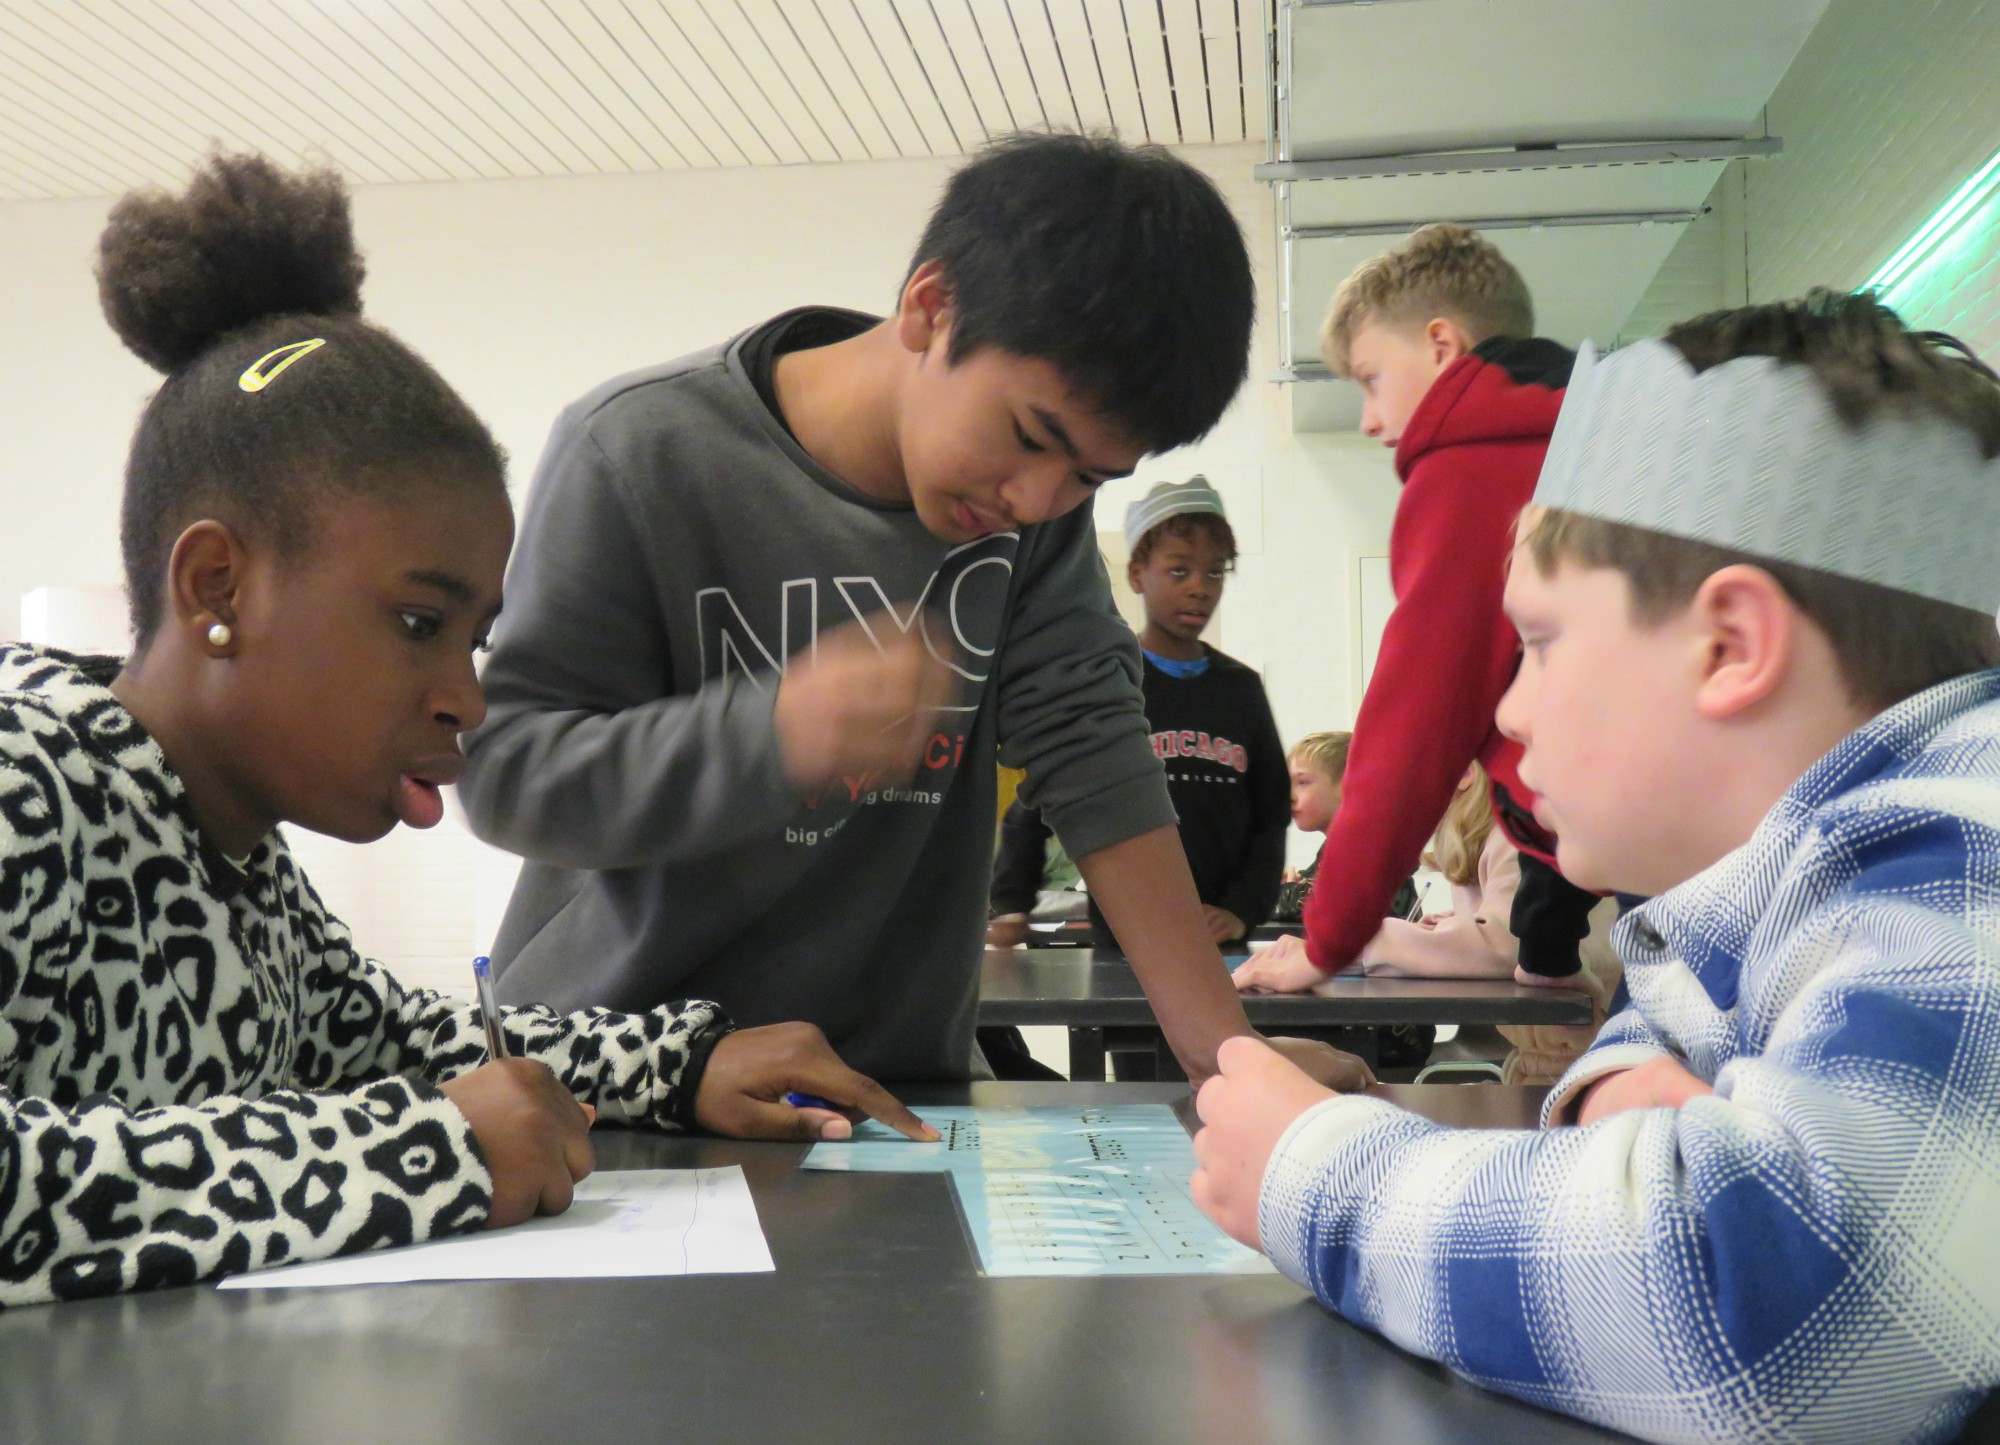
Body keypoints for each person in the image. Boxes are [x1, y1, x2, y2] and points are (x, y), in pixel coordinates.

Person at [0, 154, 929, 1309]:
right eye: (415, 621)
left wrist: (678, 1062)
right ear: (216, 585)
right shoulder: (23, 783)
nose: (465, 697)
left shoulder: (233, 852)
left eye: (472, 639)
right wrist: (415, 1152)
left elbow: (383, 1034)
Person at [1191, 291, 2000, 1440]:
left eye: (1538, 640)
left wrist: (1317, 1175)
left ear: (1728, 646)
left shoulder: (1969, 843)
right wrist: (1636, 1102)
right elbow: (1653, 1026)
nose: (1508, 708)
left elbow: (1774, 1308)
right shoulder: (1775, 877)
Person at [459, 133, 1358, 1090]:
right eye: (1027, 437)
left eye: (1088, 477)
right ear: (931, 308)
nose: (1034, 499)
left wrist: (1231, 1064)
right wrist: (768, 734)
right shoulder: (637, 450)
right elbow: (508, 772)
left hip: (882, 1090)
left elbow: (1096, 753)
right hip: (616, 1081)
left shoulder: (1036, 515)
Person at [1234, 224, 1598, 996]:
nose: (1369, 419)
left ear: (1440, 345)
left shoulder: (1465, 468)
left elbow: (1417, 722)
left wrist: (1327, 939)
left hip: (1611, 870)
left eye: (1369, 379)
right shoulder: (1601, 427)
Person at [987, 477, 1288, 951]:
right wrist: (1011, 902)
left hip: (1220, 944)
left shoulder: (1241, 690)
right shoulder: (1109, 684)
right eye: (1178, 571)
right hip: (1123, 941)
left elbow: (1271, 815)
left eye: (1214, 573)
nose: (1198, 589)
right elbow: (1040, 799)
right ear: (1135, 575)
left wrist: (1242, 910)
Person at [1355, 763, 1619, 1084]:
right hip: (1559, 1059)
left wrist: (1364, 942)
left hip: (1588, 1063)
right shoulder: (1493, 840)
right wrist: (1454, 926)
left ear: (1465, 772)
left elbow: (1509, 944)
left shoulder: (1515, 839)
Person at [1271, 731, 1418, 924]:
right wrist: (1293, 884)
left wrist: (1286, 891)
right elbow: (1313, 884)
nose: (1290, 795)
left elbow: (1317, 905)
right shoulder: (1339, 846)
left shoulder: (1364, 846)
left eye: (1303, 782)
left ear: (1348, 785)